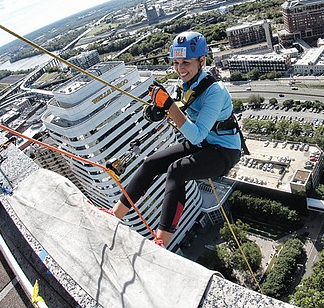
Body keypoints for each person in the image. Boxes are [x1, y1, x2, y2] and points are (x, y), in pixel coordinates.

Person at [103, 32, 242, 247]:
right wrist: (157, 110)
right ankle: (115, 215)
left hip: (223, 151)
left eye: (186, 62)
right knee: (151, 163)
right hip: (203, 145)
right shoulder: (185, 85)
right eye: (176, 63)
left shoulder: (215, 91)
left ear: (202, 61)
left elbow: (196, 133)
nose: (180, 69)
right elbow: (178, 111)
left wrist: (169, 106)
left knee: (177, 170)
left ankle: (162, 240)